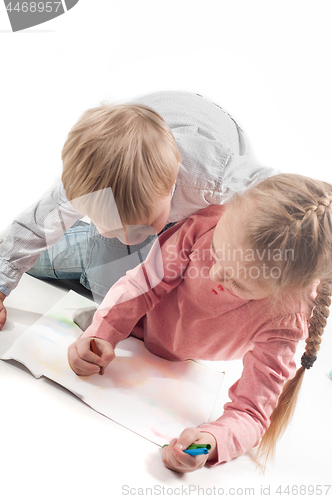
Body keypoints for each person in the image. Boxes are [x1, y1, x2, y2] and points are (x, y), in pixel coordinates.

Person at [67, 173, 332, 473]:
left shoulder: (286, 319)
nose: (216, 274)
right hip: (117, 256)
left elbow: (252, 413)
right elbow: (144, 283)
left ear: (284, 292)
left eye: (237, 282)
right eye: (216, 252)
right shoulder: (209, 224)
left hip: (153, 343)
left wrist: (205, 444)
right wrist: (104, 331)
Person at [0, 91, 276, 328]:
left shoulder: (212, 176)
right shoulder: (83, 184)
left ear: (171, 183)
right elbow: (35, 227)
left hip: (206, 178)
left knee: (191, 289)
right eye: (112, 229)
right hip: (158, 135)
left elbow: (278, 192)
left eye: (144, 225)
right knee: (106, 282)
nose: (130, 239)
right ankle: (97, 258)